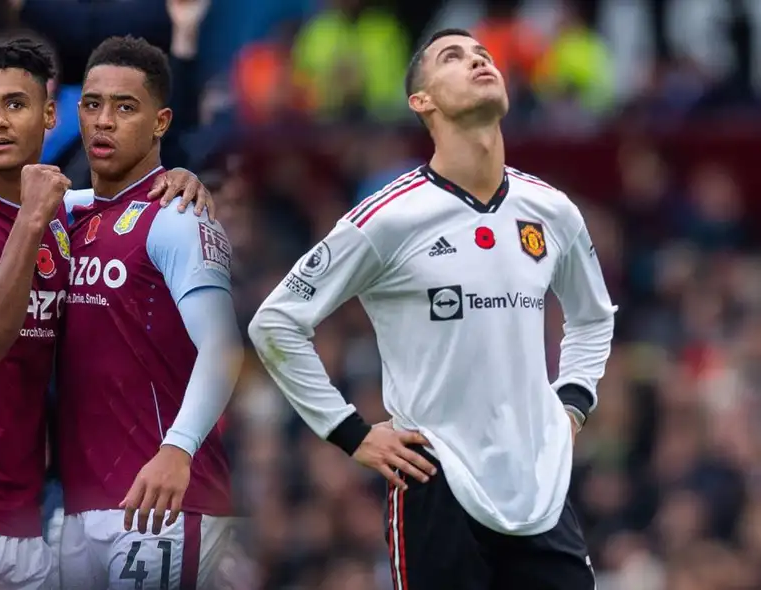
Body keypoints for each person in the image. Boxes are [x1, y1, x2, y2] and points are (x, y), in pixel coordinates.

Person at [248, 28, 616, 590]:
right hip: (436, 481)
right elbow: (275, 322)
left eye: (483, 55)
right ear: (423, 101)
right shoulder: (390, 218)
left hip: (540, 490)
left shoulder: (552, 210)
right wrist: (351, 432)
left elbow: (592, 317)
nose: (478, 61)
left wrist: (573, 404)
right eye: (454, 57)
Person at [0, 36, 241, 589]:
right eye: (94, 105)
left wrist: (179, 448)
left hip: (163, 498)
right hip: (72, 508)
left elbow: (224, 347)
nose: (104, 122)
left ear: (160, 121)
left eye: (125, 108)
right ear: (73, 113)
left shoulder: (176, 217)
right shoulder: (66, 215)